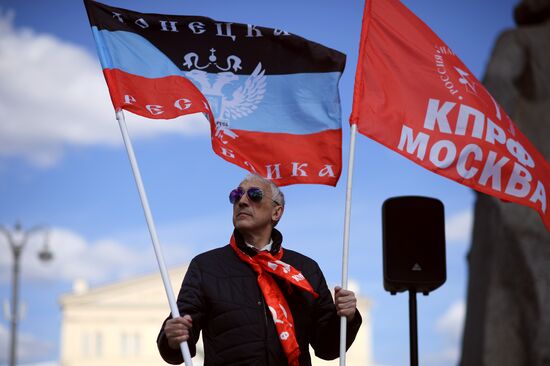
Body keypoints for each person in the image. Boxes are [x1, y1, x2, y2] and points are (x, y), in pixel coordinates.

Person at [157, 173, 362, 365]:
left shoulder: (305, 270)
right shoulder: (205, 266)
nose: (242, 201)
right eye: (236, 195)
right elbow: (180, 336)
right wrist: (172, 337)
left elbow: (328, 348)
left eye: (255, 195)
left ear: (276, 212)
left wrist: (346, 316)